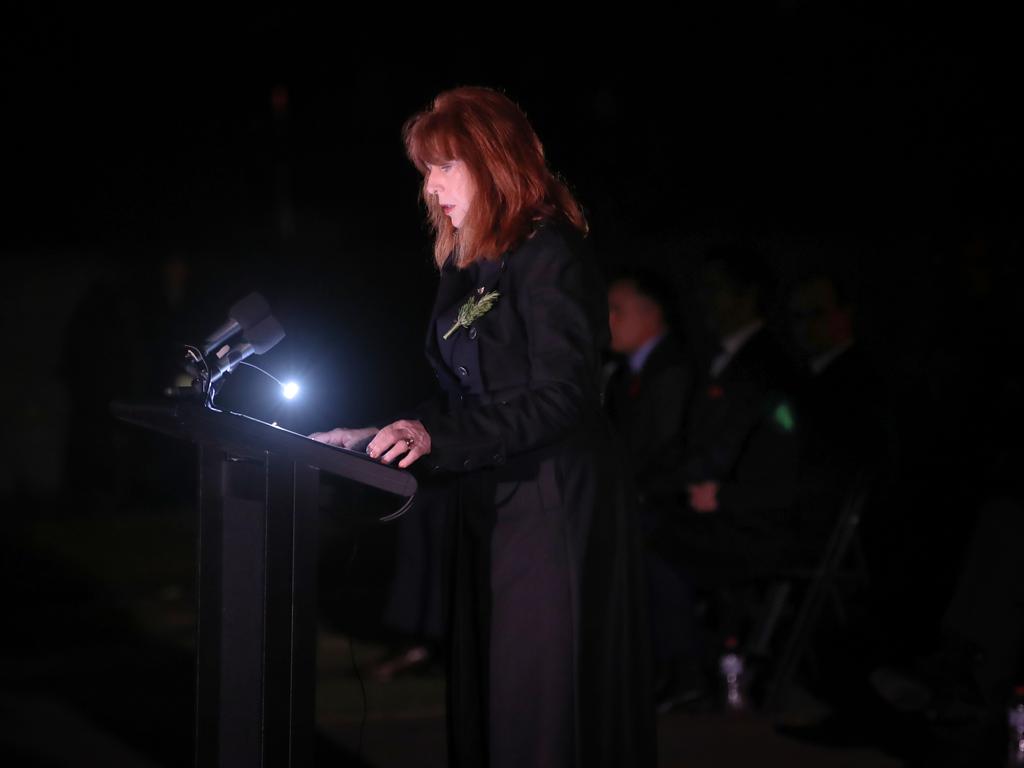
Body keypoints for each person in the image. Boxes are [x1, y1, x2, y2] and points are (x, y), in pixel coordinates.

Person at [310, 86, 653, 768]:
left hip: (550, 507)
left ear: (493, 161)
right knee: (486, 694)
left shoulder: (548, 252)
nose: (432, 188)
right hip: (490, 501)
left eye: (446, 166)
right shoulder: (467, 265)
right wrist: (378, 434)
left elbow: (563, 396)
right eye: (426, 171)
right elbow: (469, 398)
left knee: (537, 705)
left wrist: (441, 439)